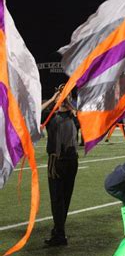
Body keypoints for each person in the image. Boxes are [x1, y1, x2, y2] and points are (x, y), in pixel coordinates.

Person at [41, 86, 79, 246]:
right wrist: (52, 99)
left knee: (66, 197)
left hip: (71, 160)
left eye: (66, 93)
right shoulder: (51, 115)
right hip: (56, 161)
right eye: (61, 93)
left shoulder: (73, 115)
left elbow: (84, 119)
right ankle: (59, 233)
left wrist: (69, 103)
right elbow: (35, 113)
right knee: (57, 198)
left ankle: (59, 232)